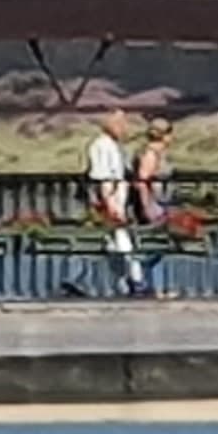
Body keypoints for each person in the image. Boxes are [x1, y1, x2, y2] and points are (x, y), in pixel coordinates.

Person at [84, 106, 147, 295]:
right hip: (111, 201)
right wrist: (110, 204)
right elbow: (103, 178)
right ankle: (136, 281)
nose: (124, 128)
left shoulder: (114, 146)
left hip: (117, 199)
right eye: (120, 123)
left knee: (116, 243)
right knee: (122, 243)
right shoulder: (101, 146)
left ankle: (123, 283)